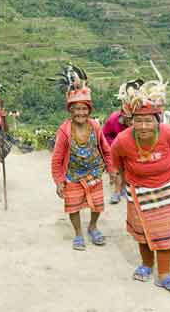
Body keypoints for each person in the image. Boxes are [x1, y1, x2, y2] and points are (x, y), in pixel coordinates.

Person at [111, 61, 170, 292]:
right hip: (137, 188)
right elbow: (116, 162)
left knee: (163, 231)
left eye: (148, 121)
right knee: (142, 230)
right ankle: (145, 264)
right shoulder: (122, 140)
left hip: (166, 188)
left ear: (158, 121)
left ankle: (164, 274)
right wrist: (120, 181)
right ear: (131, 121)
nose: (143, 125)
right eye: (138, 120)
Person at [50, 64, 117, 251]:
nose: (80, 113)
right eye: (76, 109)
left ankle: (93, 226)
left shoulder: (95, 126)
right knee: (73, 206)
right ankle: (78, 233)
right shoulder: (64, 131)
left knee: (97, 204)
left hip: (95, 171)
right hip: (73, 173)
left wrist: (111, 170)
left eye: (84, 109)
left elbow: (106, 149)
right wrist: (59, 181)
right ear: (70, 111)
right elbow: (57, 159)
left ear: (89, 110)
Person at [103, 79, 144, 204]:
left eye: (133, 119)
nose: (131, 122)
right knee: (117, 169)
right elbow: (105, 134)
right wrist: (113, 145)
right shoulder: (114, 119)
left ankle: (128, 189)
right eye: (128, 119)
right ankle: (117, 192)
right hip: (116, 148)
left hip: (135, 149)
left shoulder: (142, 123)